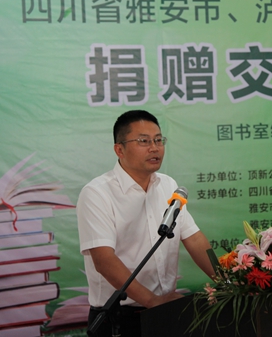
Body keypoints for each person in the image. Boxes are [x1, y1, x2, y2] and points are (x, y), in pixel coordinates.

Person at [77, 110, 215, 337]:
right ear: (119, 150)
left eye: (158, 140)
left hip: (164, 312)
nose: (154, 148)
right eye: (143, 141)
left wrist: (229, 283)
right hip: (119, 319)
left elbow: (194, 238)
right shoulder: (97, 193)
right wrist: (152, 301)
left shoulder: (167, 185)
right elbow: (104, 260)